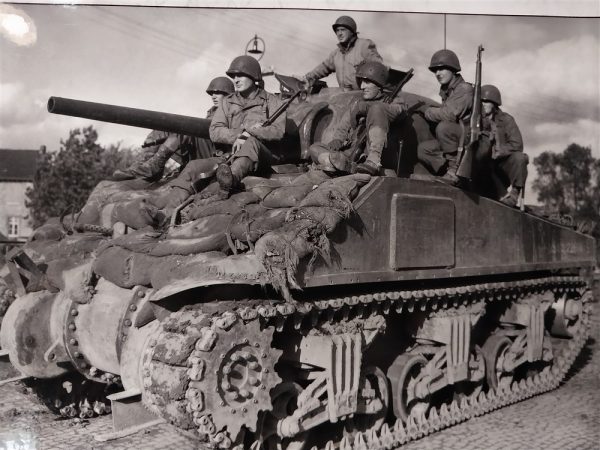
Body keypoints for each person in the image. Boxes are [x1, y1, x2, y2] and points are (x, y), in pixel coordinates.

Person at [112, 76, 234, 182]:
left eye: (218, 93)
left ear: (228, 94)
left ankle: (153, 166)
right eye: (212, 93)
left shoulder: (232, 111)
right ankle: (145, 165)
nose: (213, 96)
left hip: (217, 155)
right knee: (163, 129)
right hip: (203, 149)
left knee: (185, 127)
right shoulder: (212, 111)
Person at [308, 60, 407, 175]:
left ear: (379, 85)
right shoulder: (358, 104)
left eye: (367, 82)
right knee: (315, 148)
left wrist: (368, 107)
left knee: (377, 109)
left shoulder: (395, 102)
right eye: (361, 82)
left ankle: (370, 162)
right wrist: (337, 140)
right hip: (351, 152)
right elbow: (343, 126)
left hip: (374, 156)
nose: (362, 86)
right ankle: (336, 163)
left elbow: (400, 111)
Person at [210, 55, 287, 195]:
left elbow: (278, 131)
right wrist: (240, 134)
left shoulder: (272, 101)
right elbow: (215, 130)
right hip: (231, 154)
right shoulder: (227, 102)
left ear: (253, 76)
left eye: (240, 75)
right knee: (193, 167)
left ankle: (231, 179)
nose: (235, 80)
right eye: (233, 76)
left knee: (250, 142)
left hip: (265, 155)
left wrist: (250, 133)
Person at [417, 49, 473, 184]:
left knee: (444, 127)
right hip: (459, 138)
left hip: (471, 140)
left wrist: (427, 111)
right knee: (424, 150)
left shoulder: (464, 89)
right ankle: (449, 175)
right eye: (435, 70)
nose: (437, 73)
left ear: (453, 69)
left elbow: (448, 115)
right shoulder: (447, 91)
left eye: (441, 69)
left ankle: (454, 173)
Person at [478, 84, 528, 207]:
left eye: (487, 101)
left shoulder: (506, 120)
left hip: (501, 167)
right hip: (481, 167)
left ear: (494, 103)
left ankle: (514, 194)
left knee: (520, 158)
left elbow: (517, 144)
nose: (483, 104)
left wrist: (499, 151)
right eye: (481, 101)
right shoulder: (475, 119)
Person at [303, 15, 383, 91]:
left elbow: (378, 67)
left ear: (352, 31)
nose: (339, 33)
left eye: (343, 30)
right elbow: (323, 67)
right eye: (337, 31)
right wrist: (306, 78)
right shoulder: (336, 54)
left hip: (362, 95)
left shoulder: (364, 45)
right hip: (344, 98)